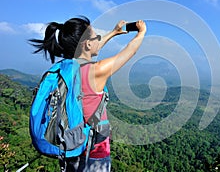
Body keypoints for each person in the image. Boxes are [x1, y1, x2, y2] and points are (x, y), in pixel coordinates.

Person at [29, 16, 146, 171]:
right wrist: (142, 32)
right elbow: (130, 51)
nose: (99, 39)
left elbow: (89, 50)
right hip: (94, 154)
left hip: (71, 146)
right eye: (96, 36)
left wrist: (113, 33)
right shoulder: (96, 72)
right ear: (87, 44)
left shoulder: (65, 68)